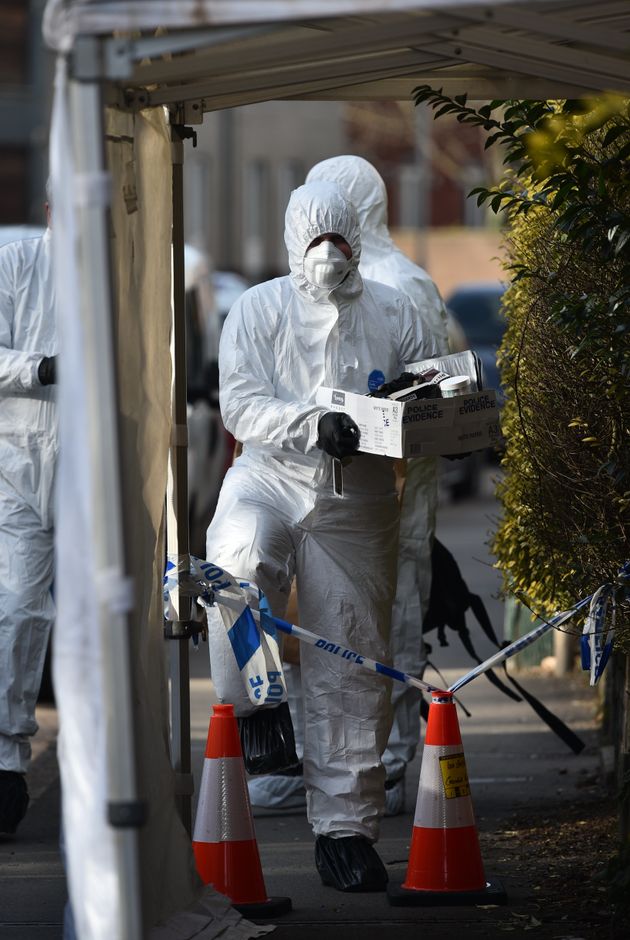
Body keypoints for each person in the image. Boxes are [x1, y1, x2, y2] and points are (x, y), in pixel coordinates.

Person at [205, 180, 439, 891]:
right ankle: (257, 708)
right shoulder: (258, 308)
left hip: (357, 496)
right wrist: (311, 423)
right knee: (238, 562)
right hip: (272, 475)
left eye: (338, 242)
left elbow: (424, 390)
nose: (327, 256)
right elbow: (242, 403)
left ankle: (345, 830)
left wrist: (434, 420)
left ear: (356, 241)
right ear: (292, 240)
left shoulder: (393, 310)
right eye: (315, 242)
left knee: (353, 661)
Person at [249, 156, 450, 818]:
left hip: (382, 491)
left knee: (374, 630)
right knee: (322, 632)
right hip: (331, 488)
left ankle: (386, 768)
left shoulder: (398, 289)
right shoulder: (288, 299)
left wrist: (377, 425)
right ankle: (334, 766)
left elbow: (434, 397)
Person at [0, 198, 57, 835]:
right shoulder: (14, 266)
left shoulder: (122, 273)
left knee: (107, 619)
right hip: (18, 468)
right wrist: (37, 367)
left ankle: (118, 759)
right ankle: (6, 764)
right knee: (17, 608)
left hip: (95, 470)